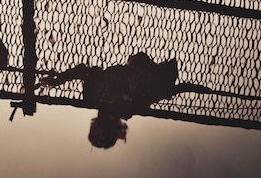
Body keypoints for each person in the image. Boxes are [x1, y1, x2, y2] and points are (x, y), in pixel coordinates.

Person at [40, 53, 187, 148]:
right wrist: (57, 81)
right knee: (151, 80)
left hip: (146, 70)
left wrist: (58, 81)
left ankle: (151, 71)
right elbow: (83, 71)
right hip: (146, 70)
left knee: (151, 79)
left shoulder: (95, 99)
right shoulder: (123, 107)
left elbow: (83, 71)